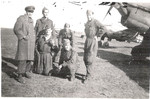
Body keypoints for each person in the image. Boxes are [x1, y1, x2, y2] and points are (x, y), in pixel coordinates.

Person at [83, 10, 108, 82]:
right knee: (85, 58)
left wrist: (98, 36)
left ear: (92, 15)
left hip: (93, 42)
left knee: (90, 59)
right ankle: (88, 73)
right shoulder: (87, 23)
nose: (89, 16)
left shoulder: (95, 22)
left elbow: (104, 28)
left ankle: (89, 76)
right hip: (87, 41)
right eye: (87, 15)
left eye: (90, 15)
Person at [13, 6, 36, 83]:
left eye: (32, 12)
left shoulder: (31, 20)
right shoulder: (21, 18)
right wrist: (23, 36)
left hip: (31, 43)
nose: (30, 13)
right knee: (22, 59)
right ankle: (20, 75)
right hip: (24, 42)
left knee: (29, 59)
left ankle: (26, 72)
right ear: (26, 11)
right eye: (29, 11)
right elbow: (16, 29)